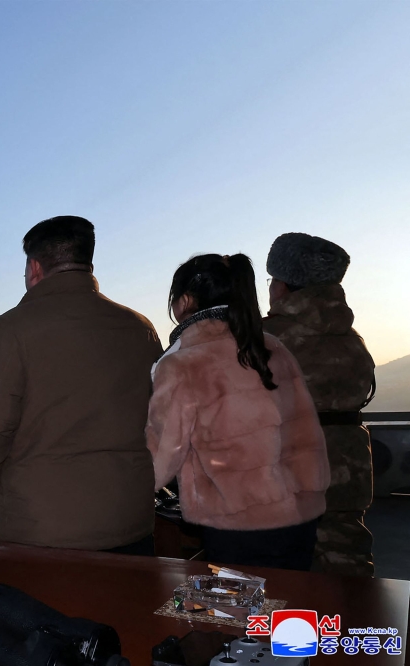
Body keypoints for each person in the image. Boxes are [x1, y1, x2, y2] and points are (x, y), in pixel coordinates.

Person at [0, 216, 163, 553]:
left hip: (40, 534)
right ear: (88, 263)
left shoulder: (11, 330)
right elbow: (159, 420)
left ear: (35, 267)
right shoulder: (139, 329)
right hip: (131, 522)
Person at [147, 253, 330, 570]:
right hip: (301, 511)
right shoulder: (272, 345)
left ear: (185, 301)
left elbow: (162, 456)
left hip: (236, 520)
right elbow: (306, 430)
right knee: (287, 610)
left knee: (241, 615)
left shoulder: (180, 362)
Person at [264, 233, 376, 577]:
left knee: (283, 573)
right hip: (350, 463)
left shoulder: (265, 338)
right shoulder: (350, 335)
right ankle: (350, 626)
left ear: (282, 286)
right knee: (347, 562)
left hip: (291, 466)